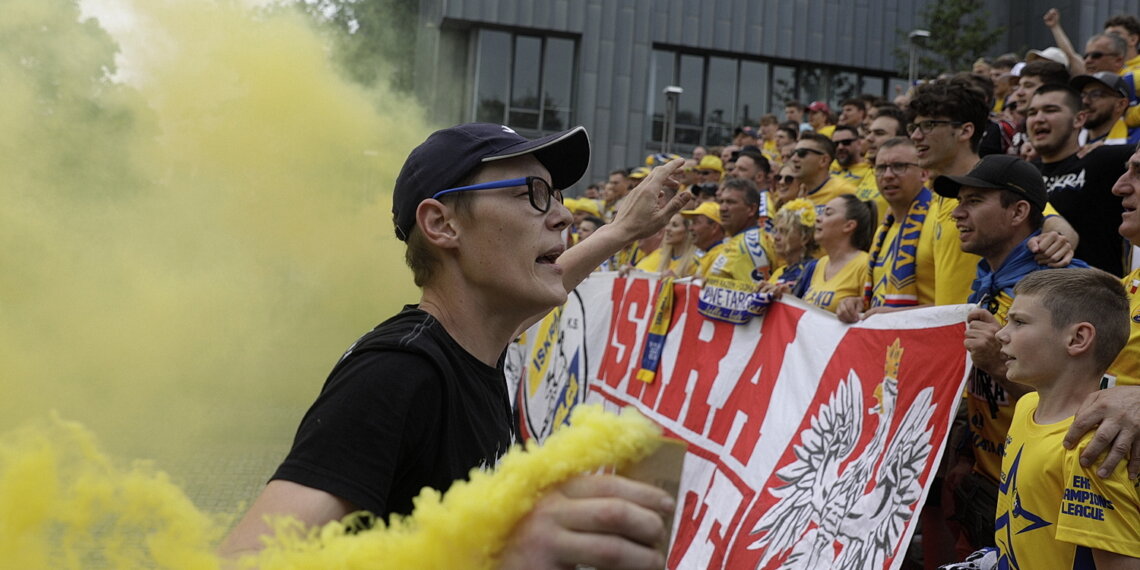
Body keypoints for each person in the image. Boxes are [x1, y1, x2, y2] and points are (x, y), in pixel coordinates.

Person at [218, 123, 691, 568]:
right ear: (442, 225)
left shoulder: (478, 340)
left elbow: (552, 283)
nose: (564, 215)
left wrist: (621, 230)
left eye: (557, 195)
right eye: (532, 194)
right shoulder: (397, 373)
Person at [930, 154, 1089, 555]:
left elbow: (1077, 409)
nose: (958, 214)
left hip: (1041, 502)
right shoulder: (987, 281)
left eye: (973, 202)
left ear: (1019, 211)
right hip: (987, 483)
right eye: (958, 202)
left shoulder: (1064, 290)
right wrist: (967, 451)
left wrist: (999, 366)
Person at [985, 269, 1137, 568]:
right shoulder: (1026, 405)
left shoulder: (1092, 448)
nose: (1001, 334)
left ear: (1078, 338)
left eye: (1019, 322)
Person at [1025, 84, 1130, 276]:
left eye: (1050, 110)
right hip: (1033, 294)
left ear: (1079, 118)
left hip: (1096, 294)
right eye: (1032, 113)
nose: (1038, 119)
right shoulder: (1025, 173)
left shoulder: (1102, 160)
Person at [836, 138, 935, 323]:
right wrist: (857, 303)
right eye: (881, 168)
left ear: (924, 173)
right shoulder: (883, 229)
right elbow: (880, 298)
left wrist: (897, 315)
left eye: (899, 166)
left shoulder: (940, 221)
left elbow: (956, 305)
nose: (888, 175)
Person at [795, 194, 874, 313]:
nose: (818, 218)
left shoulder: (864, 264)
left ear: (849, 226)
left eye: (828, 213)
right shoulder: (820, 264)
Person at [792, 132, 858, 212]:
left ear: (823, 160)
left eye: (802, 153)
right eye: (793, 153)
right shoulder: (801, 192)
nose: (794, 159)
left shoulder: (843, 190)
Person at [761, 198, 818, 290]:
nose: (776, 237)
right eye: (776, 231)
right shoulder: (778, 273)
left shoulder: (814, 269)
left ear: (805, 238)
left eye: (784, 232)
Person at [634, 213, 698, 278]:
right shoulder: (659, 255)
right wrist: (633, 272)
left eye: (675, 225)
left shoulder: (694, 262)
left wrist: (675, 280)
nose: (667, 229)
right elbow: (646, 276)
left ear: (687, 232)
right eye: (668, 224)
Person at [681, 201, 726, 278]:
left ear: (714, 227)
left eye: (696, 222)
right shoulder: (708, 255)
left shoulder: (722, 256)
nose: (690, 228)